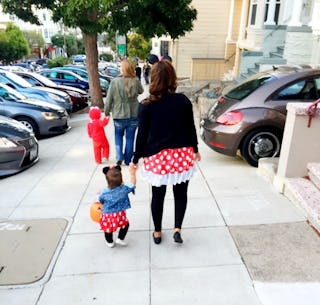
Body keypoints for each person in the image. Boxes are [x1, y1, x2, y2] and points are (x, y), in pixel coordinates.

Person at [130, 60, 201, 245]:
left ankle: (158, 232)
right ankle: (177, 229)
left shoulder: (146, 105)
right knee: (181, 193)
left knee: (158, 195)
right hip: (182, 155)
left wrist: (135, 158)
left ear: (153, 79)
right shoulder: (184, 101)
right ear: (172, 78)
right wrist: (195, 149)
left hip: (158, 157)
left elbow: (142, 135)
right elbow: (190, 127)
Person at [104, 60, 144, 166]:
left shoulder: (114, 81)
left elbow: (109, 99)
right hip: (134, 113)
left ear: (122, 69)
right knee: (130, 138)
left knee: (118, 136)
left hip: (118, 113)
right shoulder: (135, 80)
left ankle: (119, 157)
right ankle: (128, 160)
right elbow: (141, 91)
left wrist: (106, 112)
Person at [98, 165, 137, 248]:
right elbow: (132, 184)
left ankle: (110, 242)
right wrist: (133, 174)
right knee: (125, 225)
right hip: (119, 214)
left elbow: (100, 200)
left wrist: (99, 194)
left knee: (108, 229)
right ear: (121, 179)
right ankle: (120, 238)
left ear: (107, 180)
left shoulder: (104, 192)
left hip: (107, 215)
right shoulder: (124, 189)